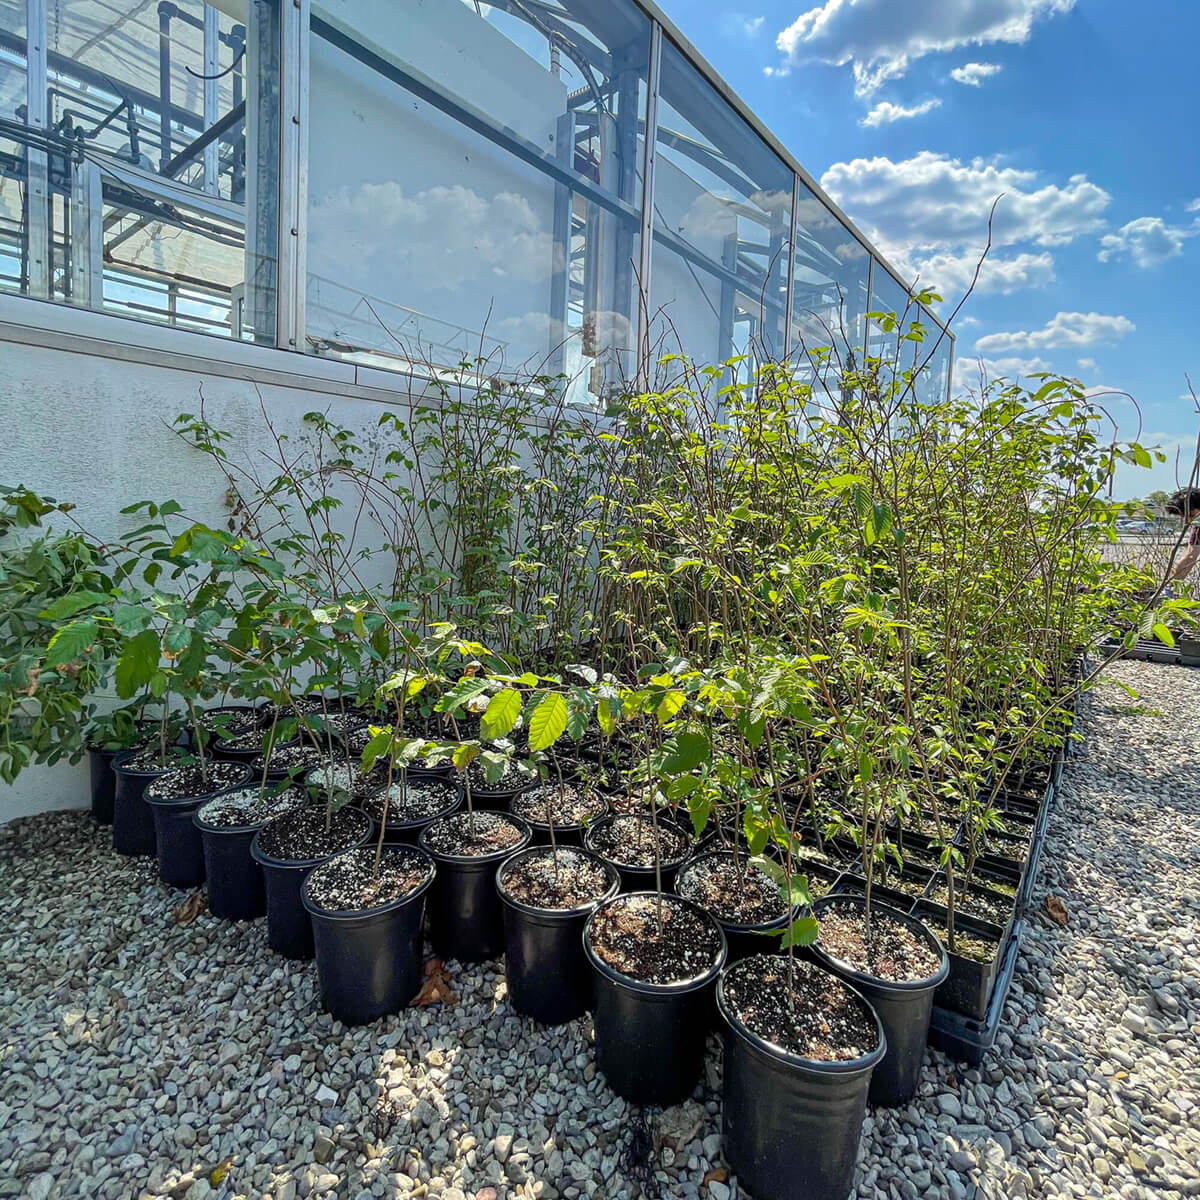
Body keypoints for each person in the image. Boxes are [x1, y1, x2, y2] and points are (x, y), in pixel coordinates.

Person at [1166, 487, 1200, 580]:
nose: (1189, 520)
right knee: (1190, 555)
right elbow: (1190, 556)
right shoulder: (1197, 527)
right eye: (1185, 517)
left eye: (1191, 515)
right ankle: (1170, 587)